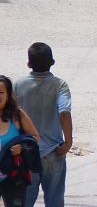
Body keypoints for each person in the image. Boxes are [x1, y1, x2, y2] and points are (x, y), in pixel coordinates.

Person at [13, 44, 71, 207]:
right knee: (54, 200)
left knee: (25, 200)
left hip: (27, 152)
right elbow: (64, 113)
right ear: (52, 62)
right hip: (54, 151)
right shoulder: (60, 85)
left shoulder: (18, 85)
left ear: (29, 64)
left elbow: (11, 117)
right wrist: (68, 142)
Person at [0, 75, 40, 207]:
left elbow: (35, 137)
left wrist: (21, 147)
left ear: (8, 94)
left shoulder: (17, 115)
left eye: (1, 92)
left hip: (14, 176)